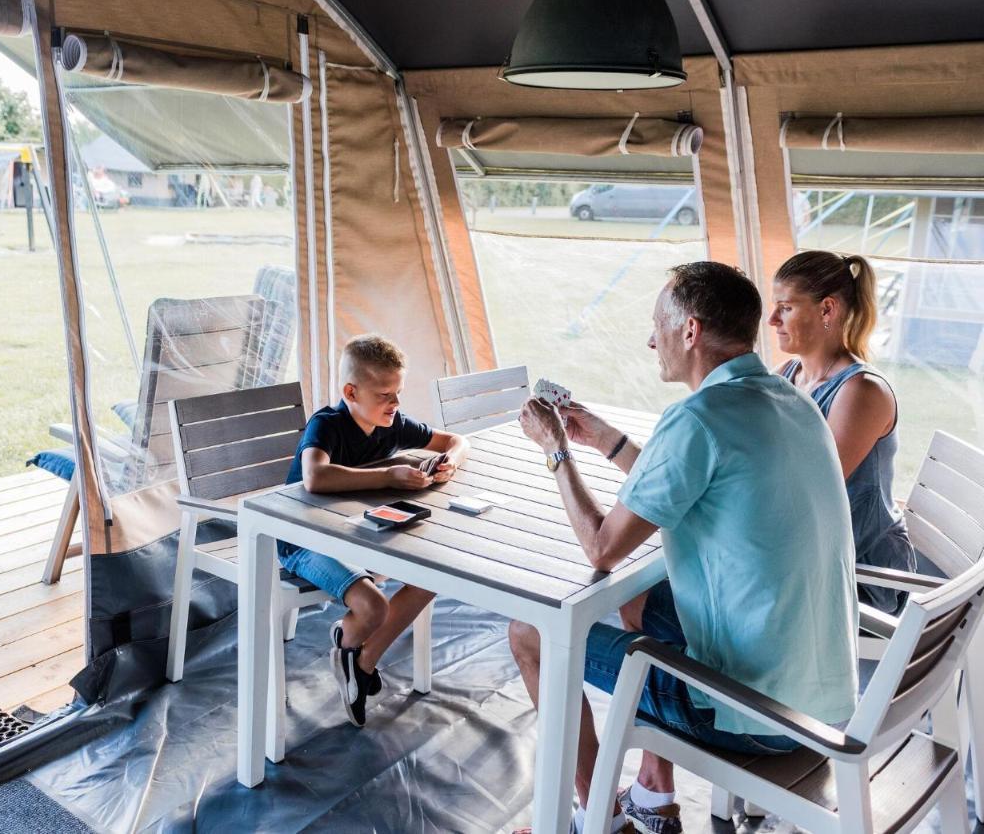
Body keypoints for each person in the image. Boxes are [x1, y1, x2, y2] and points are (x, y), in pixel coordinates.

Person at [509, 262, 858, 834]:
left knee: (533, 633)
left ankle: (599, 815)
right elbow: (688, 479)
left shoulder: (697, 418)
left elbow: (601, 548)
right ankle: (653, 799)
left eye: (658, 325)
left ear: (690, 331)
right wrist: (602, 438)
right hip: (825, 699)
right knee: (642, 601)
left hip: (758, 718)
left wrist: (556, 452)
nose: (652, 340)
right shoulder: (791, 398)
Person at [283, 334, 469, 726]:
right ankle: (349, 640)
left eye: (398, 393)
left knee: (431, 575)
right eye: (386, 394)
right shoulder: (327, 425)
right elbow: (314, 477)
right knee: (374, 606)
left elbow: (456, 439)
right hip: (303, 540)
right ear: (351, 391)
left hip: (356, 535)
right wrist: (389, 475)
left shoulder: (392, 424)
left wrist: (448, 460)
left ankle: (361, 662)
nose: (396, 404)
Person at [769, 250, 916, 613]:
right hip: (812, 554)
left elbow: (810, 492)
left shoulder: (862, 392)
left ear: (827, 310)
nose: (772, 319)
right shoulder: (789, 374)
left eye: (786, 307)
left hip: (862, 574)